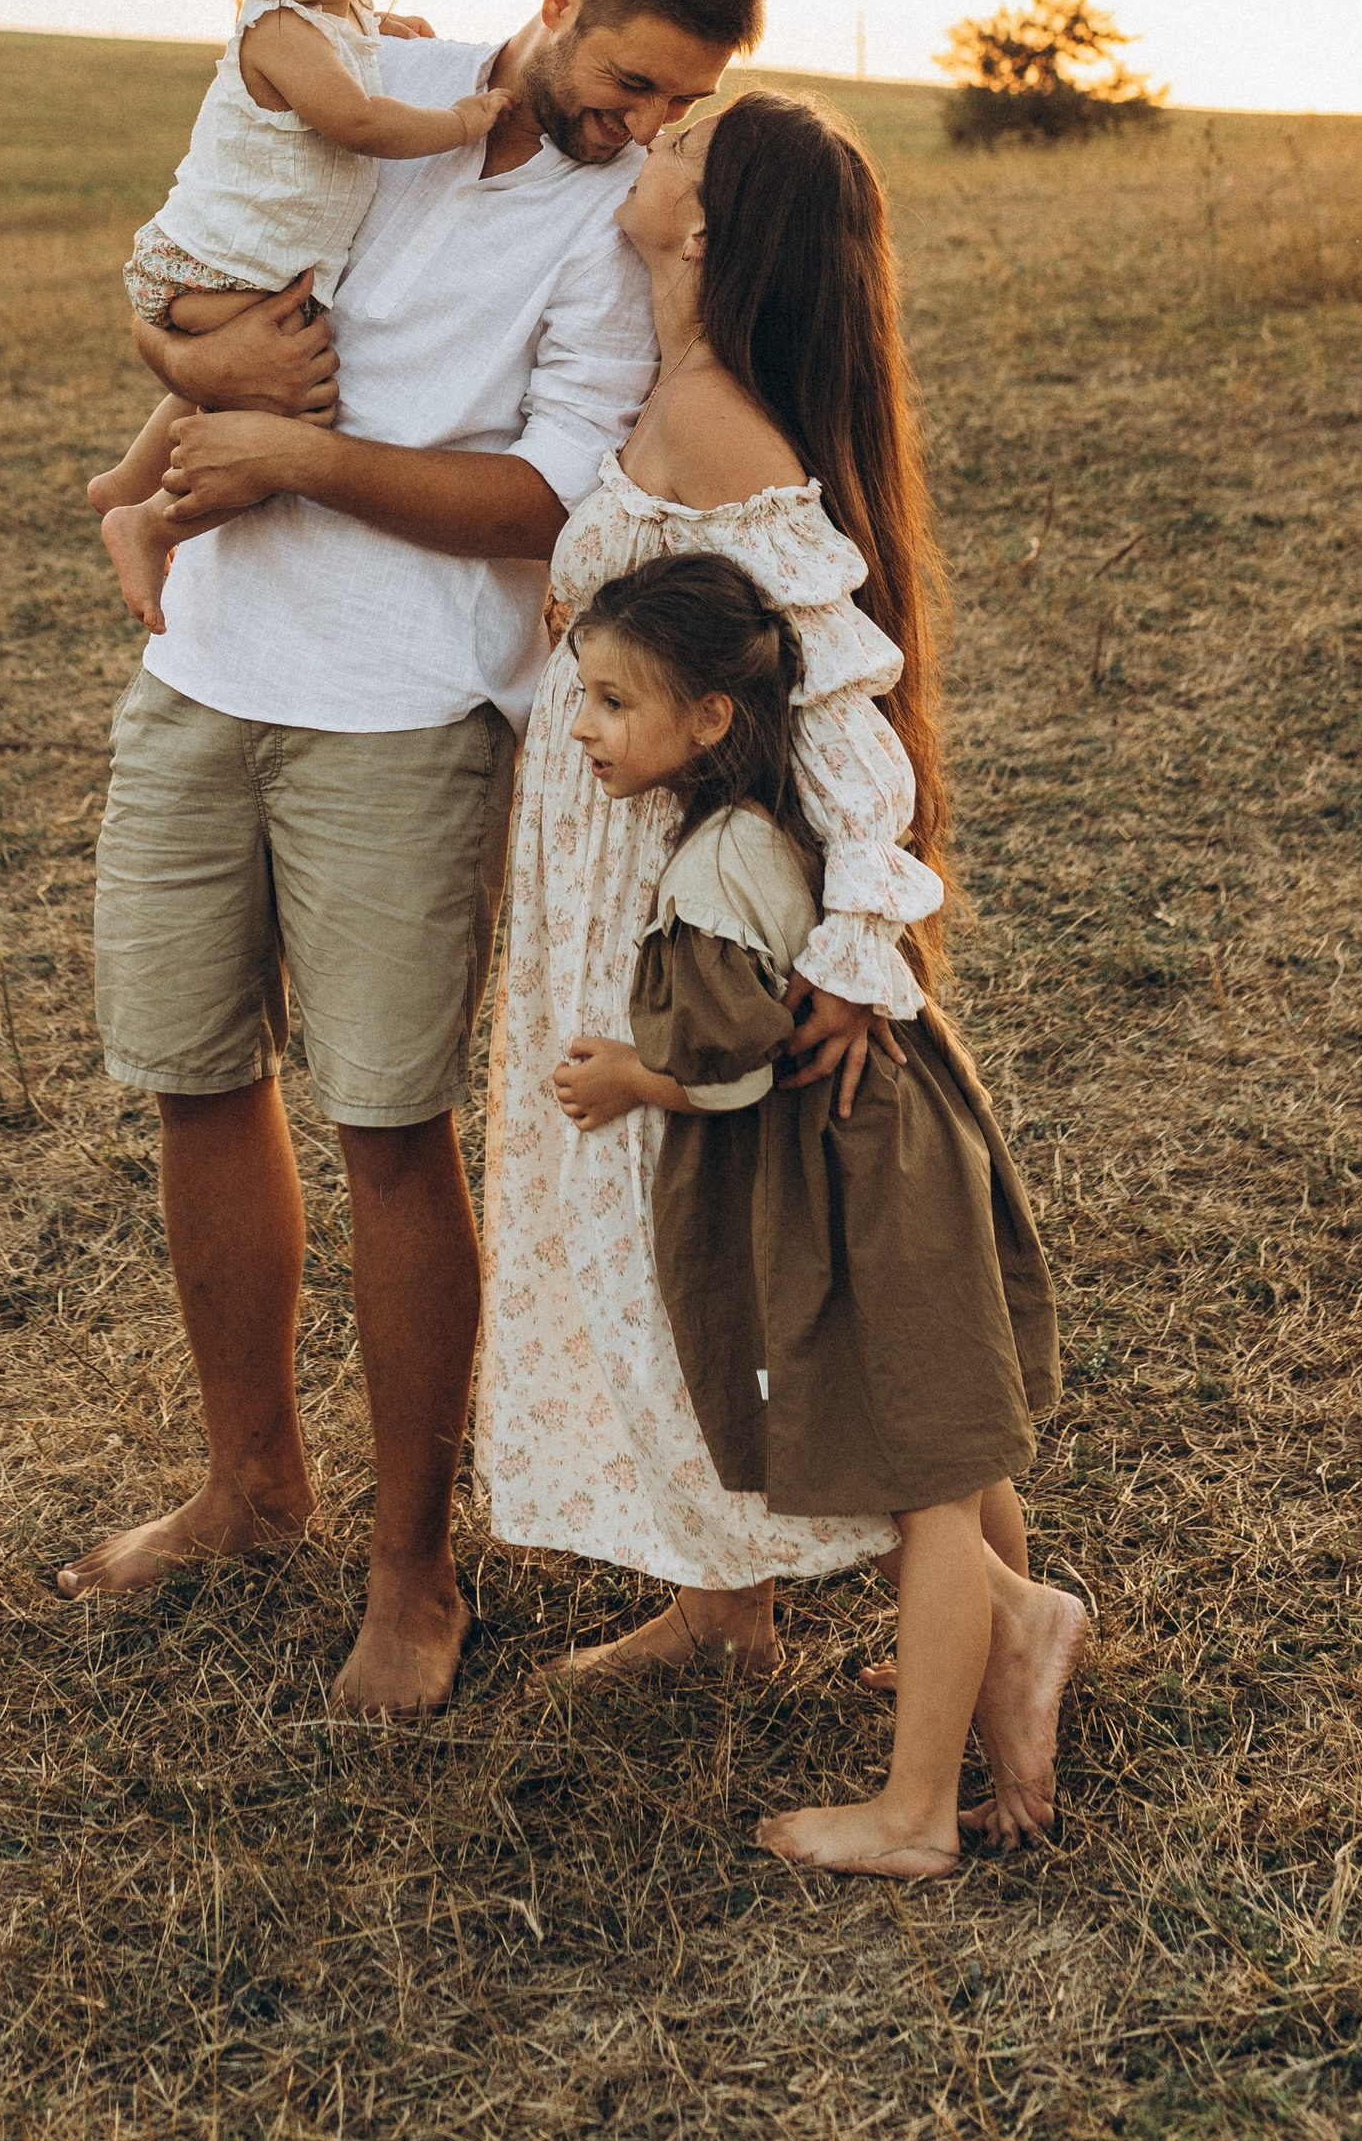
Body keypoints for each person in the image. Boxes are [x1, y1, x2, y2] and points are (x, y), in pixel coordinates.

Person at [56, 0, 766, 1713]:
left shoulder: (620, 222)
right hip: (206, 666)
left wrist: (299, 452)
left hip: (411, 708)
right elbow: (195, 261)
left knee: (388, 1124)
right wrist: (188, 368)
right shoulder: (375, 88)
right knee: (194, 1082)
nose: (642, 127)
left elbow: (545, 500)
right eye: (627, 82)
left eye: (678, 104)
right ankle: (250, 1486)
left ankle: (412, 1568)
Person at [478, 84, 1089, 1849]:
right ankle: (722, 1599)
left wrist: (855, 944)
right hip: (616, 871)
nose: (653, 145)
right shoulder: (670, 387)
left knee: (696, 1253)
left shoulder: (710, 417)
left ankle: (983, 1632)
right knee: (661, 1254)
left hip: (669, 913)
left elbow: (841, 700)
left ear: (703, 226)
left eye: (683, 146)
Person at [546, 549, 1061, 1882]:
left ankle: (917, 1807)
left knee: (921, 1486)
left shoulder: (714, 869)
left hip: (850, 1171)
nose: (582, 728)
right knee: (951, 1448)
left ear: (709, 717)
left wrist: (629, 1078)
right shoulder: (790, 815)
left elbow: (735, 1067)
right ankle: (1001, 1669)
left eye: (612, 701)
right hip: (900, 1139)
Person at [88, 0, 509, 632]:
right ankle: (150, 523)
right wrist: (461, 122)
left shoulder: (333, 24)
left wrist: (383, 29)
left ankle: (126, 481)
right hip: (213, 269)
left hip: (223, 264)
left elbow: (348, 45)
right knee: (291, 407)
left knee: (243, 377)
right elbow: (357, 121)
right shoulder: (278, 30)